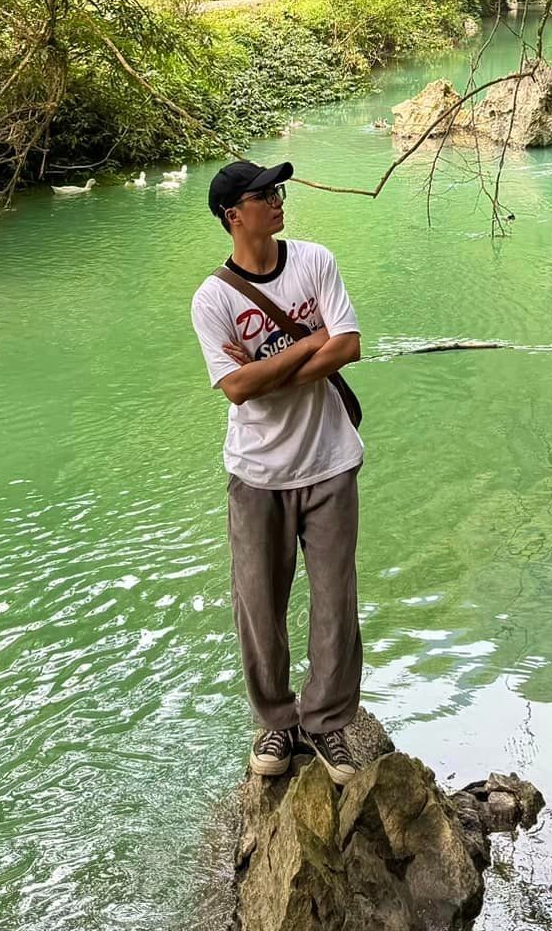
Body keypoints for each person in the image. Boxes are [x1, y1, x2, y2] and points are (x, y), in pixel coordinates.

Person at [190, 158, 364, 784]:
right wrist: (305, 343)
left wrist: (273, 372)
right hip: (257, 472)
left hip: (329, 461)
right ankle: (275, 721)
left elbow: (348, 345)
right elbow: (237, 389)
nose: (278, 199)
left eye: (278, 190)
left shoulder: (315, 261)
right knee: (258, 604)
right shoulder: (212, 299)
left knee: (334, 599)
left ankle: (326, 723)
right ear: (234, 216)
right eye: (265, 194)